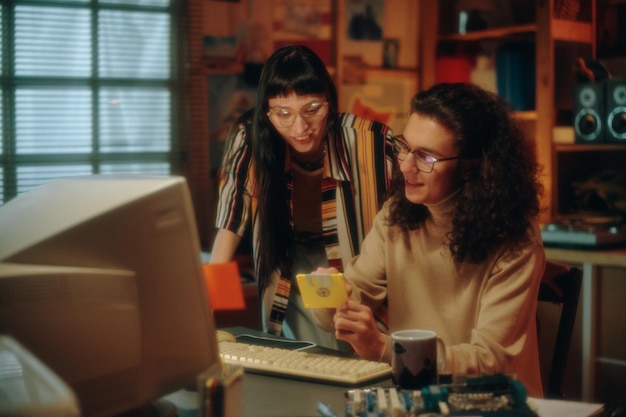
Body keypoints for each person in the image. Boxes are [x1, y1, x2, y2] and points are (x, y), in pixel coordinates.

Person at [311, 82, 546, 397]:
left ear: (470, 167)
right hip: (415, 396)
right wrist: (329, 299)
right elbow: (356, 294)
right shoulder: (396, 215)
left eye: (426, 157)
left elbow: (491, 360)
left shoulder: (516, 241)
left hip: (491, 403)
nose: (405, 165)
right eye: (405, 147)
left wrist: (386, 348)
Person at [210, 45, 394, 350]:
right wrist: (209, 315)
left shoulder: (372, 141)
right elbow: (231, 222)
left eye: (312, 109)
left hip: (355, 257)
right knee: (303, 351)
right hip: (288, 259)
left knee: (356, 339)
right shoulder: (250, 136)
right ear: (267, 110)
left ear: (329, 102)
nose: (299, 128)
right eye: (283, 114)